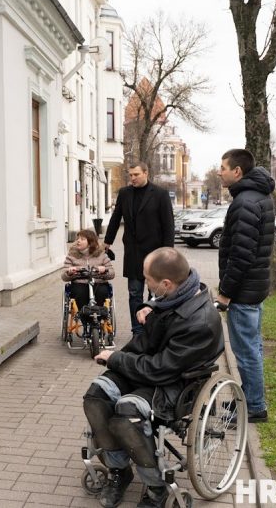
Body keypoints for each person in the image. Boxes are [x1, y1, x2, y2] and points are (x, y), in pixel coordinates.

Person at [84, 247, 223, 508]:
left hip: (175, 383)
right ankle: (119, 470)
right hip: (149, 367)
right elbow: (166, 306)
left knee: (128, 413)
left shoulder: (200, 323)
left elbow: (160, 369)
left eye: (147, 279)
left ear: (166, 283)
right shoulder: (175, 295)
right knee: (96, 396)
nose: (144, 282)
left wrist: (115, 358)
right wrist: (151, 305)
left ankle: (156, 486)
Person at [216, 148, 275, 423]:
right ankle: (250, 400)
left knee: (246, 351)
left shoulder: (244, 203)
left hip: (243, 290)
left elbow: (241, 254)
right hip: (255, 287)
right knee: (253, 347)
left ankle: (253, 407)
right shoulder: (260, 196)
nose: (220, 172)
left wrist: (226, 293)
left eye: (223, 167)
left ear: (237, 171)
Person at [104, 162, 174, 335]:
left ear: (146, 173)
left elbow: (168, 225)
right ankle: (137, 331)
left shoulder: (160, 194)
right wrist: (107, 241)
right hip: (133, 254)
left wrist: (168, 253)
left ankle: (154, 329)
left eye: (136, 174)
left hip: (155, 255)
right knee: (134, 293)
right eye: (130, 175)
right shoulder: (125, 193)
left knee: (155, 295)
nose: (132, 178)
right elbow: (115, 218)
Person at [61, 229, 115, 314]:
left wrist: (104, 270)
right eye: (78, 239)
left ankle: (99, 315)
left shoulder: (101, 254)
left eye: (82, 239)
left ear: (90, 242)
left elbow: (112, 273)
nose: (78, 241)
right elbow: (64, 276)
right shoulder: (72, 255)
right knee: (79, 293)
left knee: (102, 292)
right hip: (80, 283)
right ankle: (84, 316)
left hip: (98, 282)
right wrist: (69, 272)